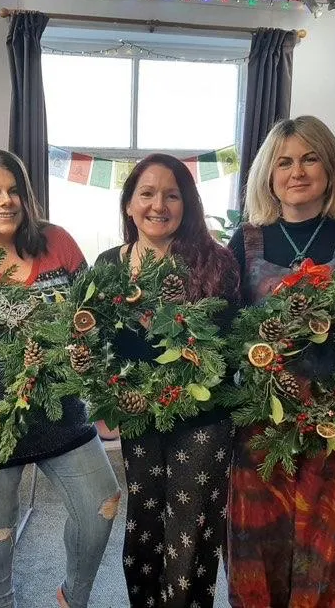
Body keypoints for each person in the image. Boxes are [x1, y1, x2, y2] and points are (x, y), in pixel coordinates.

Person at [0, 148, 121, 608]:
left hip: (62, 414)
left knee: (102, 506)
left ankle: (74, 598)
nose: (5, 201)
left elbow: (92, 315)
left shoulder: (58, 243)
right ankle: (2, 604)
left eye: (13, 190)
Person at [226, 115, 335, 608]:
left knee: (333, 551)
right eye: (283, 162)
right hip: (263, 427)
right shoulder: (246, 240)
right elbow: (227, 330)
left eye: (309, 158)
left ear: (330, 167)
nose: (296, 171)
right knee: (258, 549)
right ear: (268, 173)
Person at [94, 154, 240, 608]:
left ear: (187, 204)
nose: (159, 205)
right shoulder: (107, 266)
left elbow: (229, 345)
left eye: (172, 195)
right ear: (129, 205)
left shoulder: (215, 263)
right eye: (147, 193)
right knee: (144, 523)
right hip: (140, 420)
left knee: (190, 528)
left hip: (204, 420)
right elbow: (92, 342)